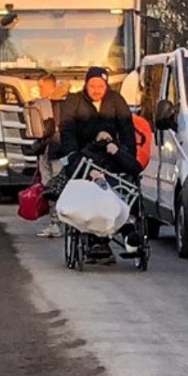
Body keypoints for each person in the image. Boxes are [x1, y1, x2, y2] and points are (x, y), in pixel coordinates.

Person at [60, 66, 142, 256]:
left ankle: (126, 228)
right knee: (89, 188)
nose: (96, 90)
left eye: (100, 86)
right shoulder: (74, 101)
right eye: (92, 86)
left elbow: (127, 130)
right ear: (86, 85)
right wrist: (74, 156)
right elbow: (67, 131)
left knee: (123, 184)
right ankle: (95, 238)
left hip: (112, 157)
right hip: (84, 157)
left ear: (106, 86)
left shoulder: (116, 100)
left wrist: (125, 154)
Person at [29, 74, 64, 239]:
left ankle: (57, 223)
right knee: (50, 186)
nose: (40, 89)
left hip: (55, 151)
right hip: (48, 151)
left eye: (42, 86)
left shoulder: (56, 104)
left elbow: (48, 129)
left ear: (52, 86)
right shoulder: (46, 103)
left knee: (54, 186)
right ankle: (56, 222)